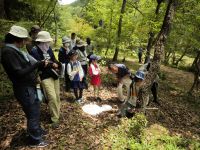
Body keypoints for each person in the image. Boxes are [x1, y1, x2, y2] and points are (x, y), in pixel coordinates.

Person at [1, 25, 48, 147]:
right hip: (24, 88)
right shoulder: (8, 52)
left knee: (35, 110)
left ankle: (36, 131)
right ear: (18, 39)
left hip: (28, 86)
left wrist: (38, 65)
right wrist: (36, 64)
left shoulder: (15, 50)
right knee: (32, 112)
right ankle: (35, 140)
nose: (24, 42)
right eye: (23, 39)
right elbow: (18, 73)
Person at [30, 31, 61, 128]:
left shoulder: (49, 49)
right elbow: (39, 64)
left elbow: (53, 59)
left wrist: (56, 64)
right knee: (51, 97)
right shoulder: (34, 51)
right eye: (46, 42)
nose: (48, 43)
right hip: (44, 77)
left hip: (54, 75)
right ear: (41, 42)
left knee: (57, 96)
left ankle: (57, 115)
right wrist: (51, 64)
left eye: (48, 41)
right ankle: (55, 119)